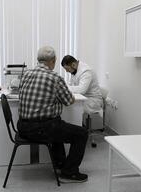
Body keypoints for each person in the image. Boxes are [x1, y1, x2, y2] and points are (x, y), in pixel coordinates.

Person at [17, 46, 88, 183]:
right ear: (53, 60)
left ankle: (60, 164)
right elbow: (69, 101)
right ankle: (69, 173)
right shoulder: (55, 77)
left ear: (38, 60)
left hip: (22, 127)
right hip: (42, 129)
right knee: (81, 134)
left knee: (58, 124)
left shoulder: (25, 74)